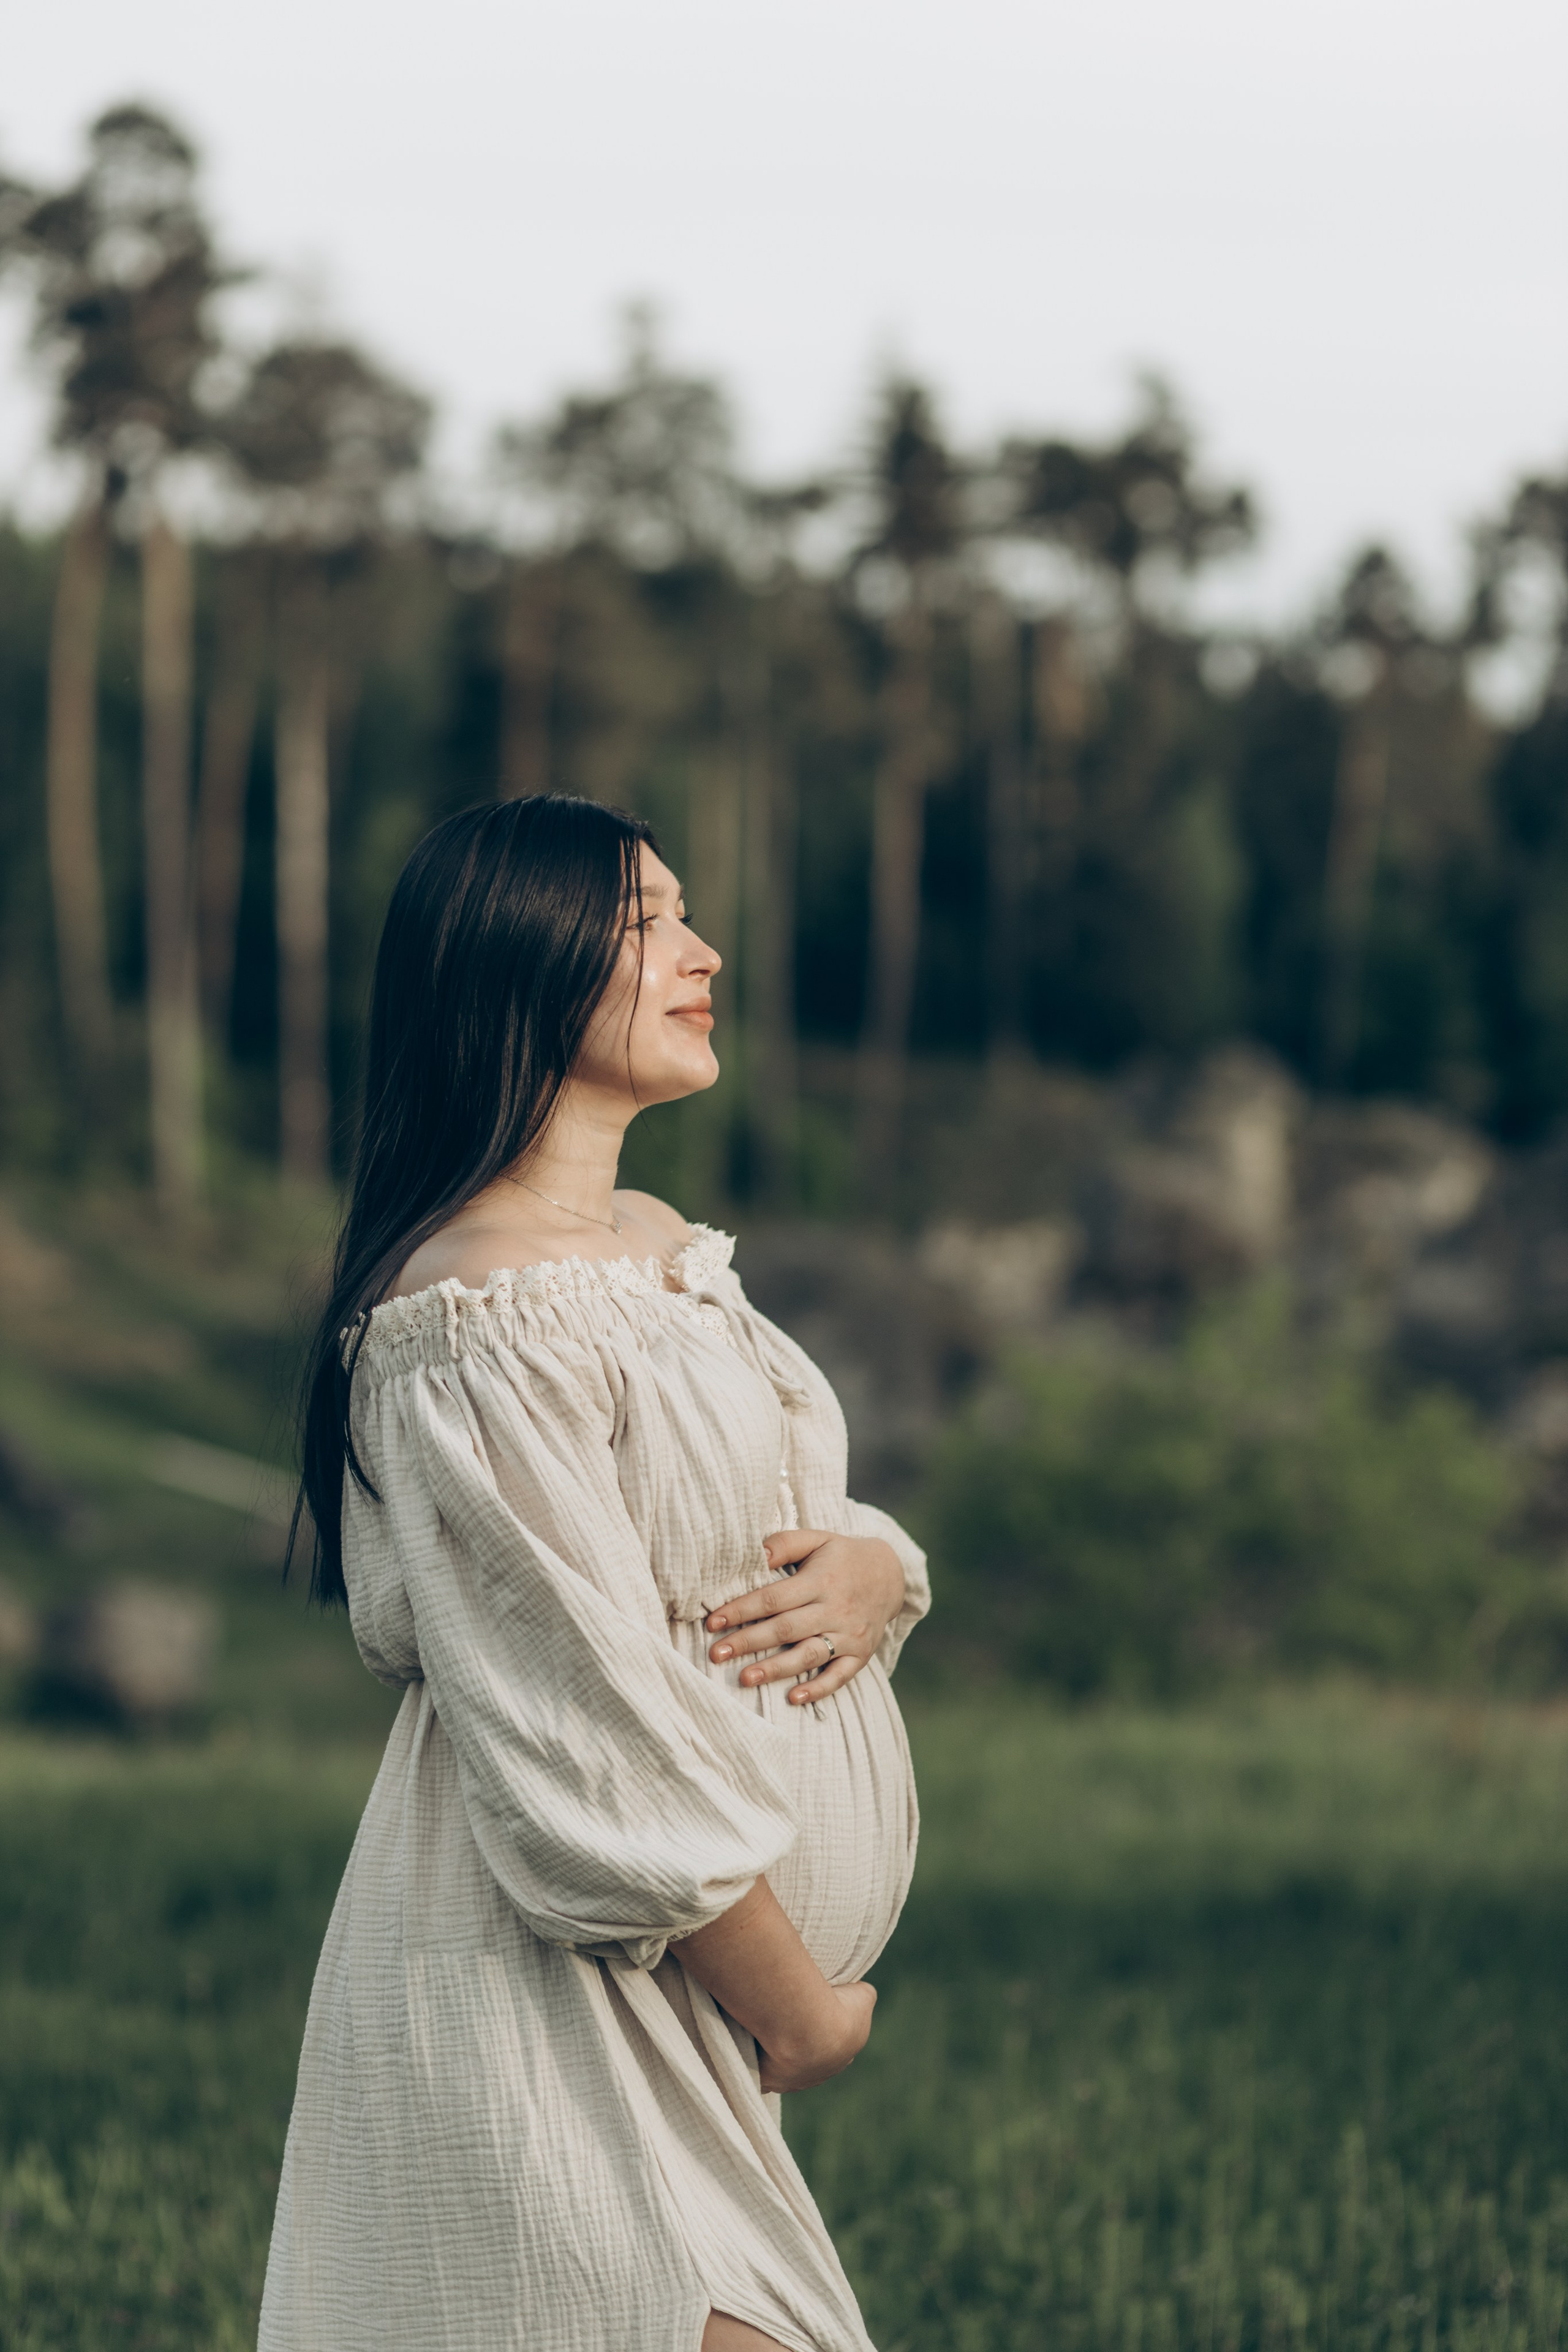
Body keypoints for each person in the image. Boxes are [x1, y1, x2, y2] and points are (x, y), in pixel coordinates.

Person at [259, 793, 929, 2352]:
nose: (702, 953)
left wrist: (884, 1568)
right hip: (547, 1983)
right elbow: (577, 1709)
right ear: (518, 964)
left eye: (686, 915)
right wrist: (798, 2008)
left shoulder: (657, 1247)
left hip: (668, 2000)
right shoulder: (470, 1316)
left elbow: (774, 1512)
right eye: (646, 925)